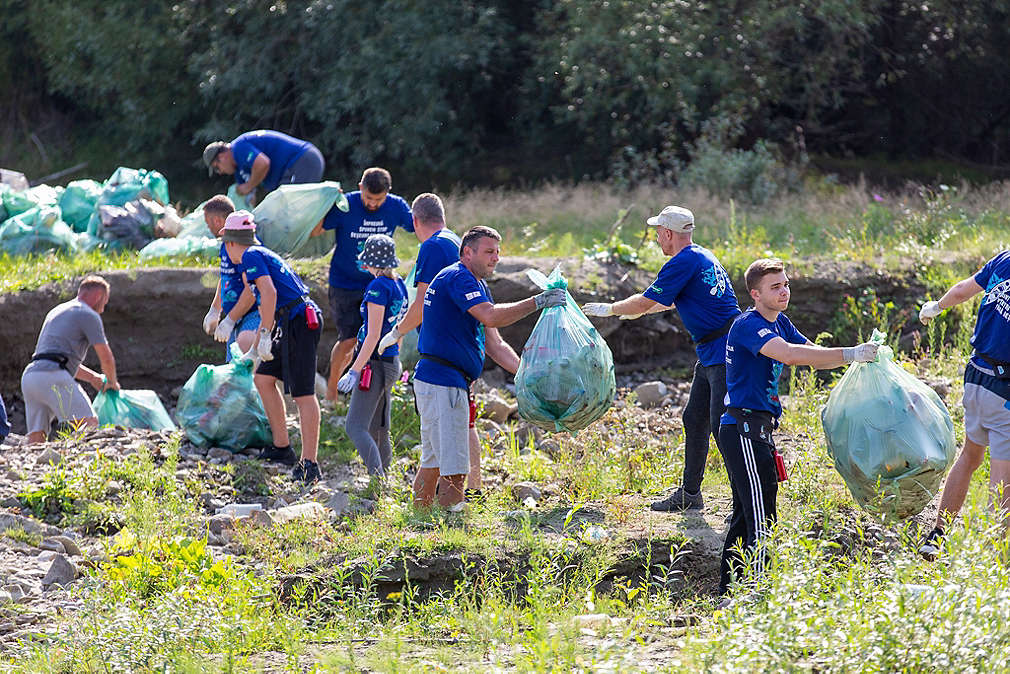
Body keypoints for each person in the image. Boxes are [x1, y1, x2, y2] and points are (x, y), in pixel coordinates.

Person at [717, 258, 878, 598]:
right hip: (742, 427)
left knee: (748, 515)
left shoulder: (781, 322)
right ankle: (758, 594)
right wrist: (850, 353)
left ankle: (728, 592)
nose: (784, 291)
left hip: (759, 431)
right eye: (775, 287)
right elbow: (789, 355)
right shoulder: (748, 324)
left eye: (786, 284)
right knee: (762, 517)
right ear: (755, 293)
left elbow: (813, 353)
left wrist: (862, 363)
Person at [583, 205, 741, 512]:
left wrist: (613, 309)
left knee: (725, 427)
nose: (657, 238)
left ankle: (743, 500)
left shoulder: (682, 261)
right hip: (713, 352)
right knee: (694, 419)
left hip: (724, 353)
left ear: (668, 233)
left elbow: (647, 300)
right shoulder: (700, 255)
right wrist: (634, 312)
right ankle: (691, 494)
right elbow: (663, 302)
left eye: (658, 233)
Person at [412, 225, 566, 509]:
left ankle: (420, 519)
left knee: (434, 458)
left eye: (498, 252)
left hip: (444, 380)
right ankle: (453, 524)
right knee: (455, 465)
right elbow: (491, 316)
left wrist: (525, 375)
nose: (496, 258)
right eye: (489, 252)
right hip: (442, 381)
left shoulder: (476, 283)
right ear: (467, 252)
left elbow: (494, 344)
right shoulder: (459, 277)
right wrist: (537, 302)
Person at [376, 194, 484, 498]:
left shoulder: (432, 246)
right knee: (465, 421)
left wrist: (396, 332)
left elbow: (422, 303)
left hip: (444, 351)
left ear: (414, 221)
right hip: (463, 346)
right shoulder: (453, 242)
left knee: (439, 449)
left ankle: (451, 505)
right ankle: (472, 490)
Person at [917, 249, 1010, 560]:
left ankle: (937, 534)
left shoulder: (1003, 259)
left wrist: (936, 306)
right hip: (1004, 388)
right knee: (1003, 474)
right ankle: (996, 556)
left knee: (970, 456)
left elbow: (960, 291)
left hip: (975, 377)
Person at [221, 211, 325, 483]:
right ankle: (282, 447)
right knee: (264, 377)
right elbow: (266, 301)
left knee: (303, 394)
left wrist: (264, 333)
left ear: (231, 242)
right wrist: (256, 348)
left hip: (300, 321)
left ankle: (310, 463)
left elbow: (269, 294)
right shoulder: (258, 255)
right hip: (287, 320)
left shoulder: (251, 256)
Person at [310, 167, 413, 400]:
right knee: (348, 340)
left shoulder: (396, 206)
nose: (373, 204)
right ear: (360, 188)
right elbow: (315, 230)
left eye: (379, 200)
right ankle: (332, 392)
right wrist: (324, 201)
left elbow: (419, 226)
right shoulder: (346, 204)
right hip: (345, 283)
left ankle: (368, 391)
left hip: (381, 284)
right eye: (368, 198)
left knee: (375, 337)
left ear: (388, 193)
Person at [336, 234, 408, 478]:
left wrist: (355, 369)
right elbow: (399, 330)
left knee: (355, 427)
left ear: (370, 262)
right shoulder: (399, 284)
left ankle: (377, 480)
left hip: (374, 364)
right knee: (379, 427)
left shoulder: (378, 287)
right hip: (391, 361)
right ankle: (384, 480)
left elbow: (373, 334)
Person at [21, 276, 120, 443]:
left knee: (37, 437)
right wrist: (111, 381)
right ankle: (80, 464)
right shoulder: (88, 314)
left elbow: (55, 359)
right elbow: (106, 357)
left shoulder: (58, 310)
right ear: (98, 296)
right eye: (104, 302)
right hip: (52, 376)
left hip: (31, 377)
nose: (102, 310)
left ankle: (30, 467)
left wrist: (93, 378)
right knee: (88, 422)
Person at [200, 195, 260, 359]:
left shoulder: (243, 246)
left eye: (208, 223)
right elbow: (227, 277)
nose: (208, 228)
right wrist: (215, 310)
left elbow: (252, 288)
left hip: (253, 315)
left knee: (245, 369)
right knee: (235, 371)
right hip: (236, 318)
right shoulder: (226, 246)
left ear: (218, 221)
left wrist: (229, 320)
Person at [203, 130, 325, 202]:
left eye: (216, 168)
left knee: (295, 207)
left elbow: (263, 164)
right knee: (282, 207)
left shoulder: (239, 148)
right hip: (290, 170)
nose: (219, 172)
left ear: (221, 157)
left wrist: (249, 186)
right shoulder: (238, 170)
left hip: (302, 160)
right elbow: (250, 198)